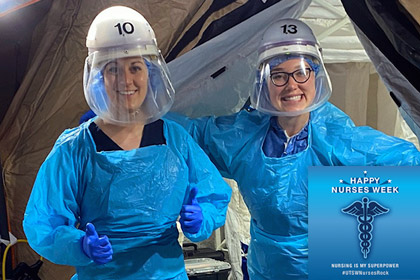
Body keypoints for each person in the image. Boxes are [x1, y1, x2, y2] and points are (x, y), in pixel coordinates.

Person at [165, 18, 420, 279]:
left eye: (301, 72)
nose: (291, 85)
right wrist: (140, 110)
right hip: (265, 269)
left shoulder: (338, 141)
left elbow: (409, 165)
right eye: (278, 75)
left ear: (316, 76)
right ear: (264, 81)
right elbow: (186, 133)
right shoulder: (242, 137)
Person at [23, 6, 231, 280]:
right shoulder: (75, 149)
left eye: (135, 67)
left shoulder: (175, 139)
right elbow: (43, 222)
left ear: (150, 74)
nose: (126, 80)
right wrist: (80, 244)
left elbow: (212, 195)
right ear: (98, 77)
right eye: (113, 69)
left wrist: (201, 216)